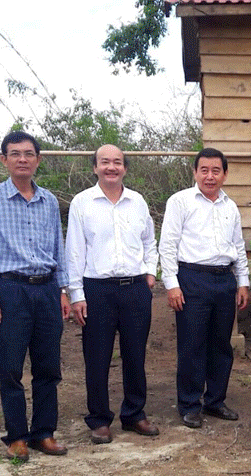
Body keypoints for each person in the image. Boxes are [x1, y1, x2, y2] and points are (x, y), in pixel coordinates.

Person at [0, 131, 71, 461]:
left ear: (38, 160)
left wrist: (63, 291)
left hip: (47, 289)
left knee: (48, 366)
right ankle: (16, 436)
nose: (22, 159)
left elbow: (58, 247)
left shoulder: (49, 201)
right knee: (11, 367)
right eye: (15, 154)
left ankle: (44, 432)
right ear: (4, 160)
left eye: (28, 154)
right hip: (10, 290)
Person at [65, 144, 159, 443]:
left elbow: (149, 241)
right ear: (95, 167)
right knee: (97, 356)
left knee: (135, 354)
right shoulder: (82, 203)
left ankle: (134, 414)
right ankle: (99, 419)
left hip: (135, 288)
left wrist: (150, 272)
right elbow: (74, 250)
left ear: (125, 168)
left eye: (117, 162)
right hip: (97, 289)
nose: (111, 167)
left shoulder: (138, 201)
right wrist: (76, 294)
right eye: (105, 162)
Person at [159, 148, 249, 428]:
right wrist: (172, 285)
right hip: (192, 279)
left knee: (221, 344)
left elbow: (238, 245)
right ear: (195, 172)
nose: (210, 176)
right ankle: (189, 404)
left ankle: (215, 401)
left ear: (225, 174)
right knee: (192, 344)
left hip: (224, 280)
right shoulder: (180, 201)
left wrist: (243, 281)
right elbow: (168, 245)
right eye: (204, 170)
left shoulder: (230, 206)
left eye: (216, 171)